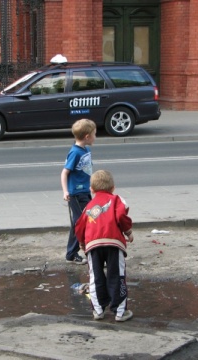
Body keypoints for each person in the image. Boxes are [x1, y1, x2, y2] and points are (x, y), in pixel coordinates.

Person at [75, 170, 134, 322]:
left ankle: (98, 311)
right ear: (113, 188)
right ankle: (120, 312)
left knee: (96, 277)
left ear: (92, 189)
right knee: (117, 275)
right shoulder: (116, 200)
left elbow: (79, 226)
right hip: (114, 242)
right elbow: (122, 216)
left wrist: (82, 243)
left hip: (93, 245)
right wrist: (128, 232)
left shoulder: (88, 206)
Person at [60, 118, 96, 265]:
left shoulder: (86, 150)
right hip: (76, 194)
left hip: (85, 191)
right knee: (80, 222)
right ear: (87, 136)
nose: (96, 137)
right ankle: (72, 253)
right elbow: (64, 173)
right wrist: (65, 191)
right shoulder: (74, 153)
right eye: (94, 134)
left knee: (85, 219)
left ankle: (84, 248)